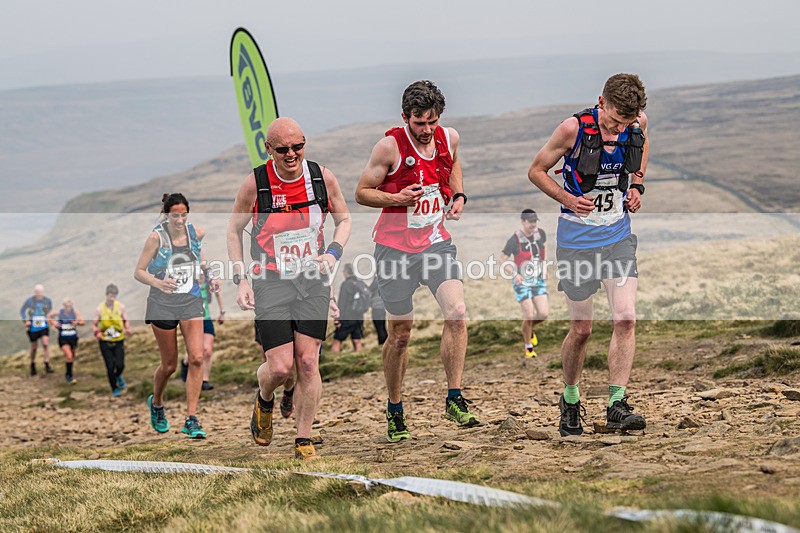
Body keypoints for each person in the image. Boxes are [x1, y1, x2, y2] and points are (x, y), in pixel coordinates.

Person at [355, 80, 479, 443]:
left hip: (435, 244)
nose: (426, 131)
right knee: (401, 334)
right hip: (394, 250)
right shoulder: (389, 146)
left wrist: (457, 195)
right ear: (405, 117)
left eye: (432, 122)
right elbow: (361, 193)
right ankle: (395, 408)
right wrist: (397, 199)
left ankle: (454, 397)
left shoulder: (448, 136)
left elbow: (453, 163)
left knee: (456, 312)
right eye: (419, 123)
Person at [527, 73, 649, 436]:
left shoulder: (637, 124)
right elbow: (536, 171)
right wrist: (567, 199)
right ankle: (570, 397)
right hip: (577, 242)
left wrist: (637, 185)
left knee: (625, 318)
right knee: (581, 330)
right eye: (612, 120)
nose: (616, 129)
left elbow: (641, 155)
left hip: (617, 237)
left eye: (624, 123)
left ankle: (616, 404)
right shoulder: (571, 129)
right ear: (601, 102)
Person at [227, 117, 351, 460]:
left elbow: (344, 220)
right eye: (283, 149)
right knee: (281, 368)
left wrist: (332, 254)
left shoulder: (321, 178)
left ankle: (303, 439)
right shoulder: (256, 184)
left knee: (308, 362)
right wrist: (241, 278)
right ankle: (265, 397)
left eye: (298, 146)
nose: (291, 154)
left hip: (312, 279)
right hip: (270, 279)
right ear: (269, 150)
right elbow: (233, 231)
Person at [134, 193, 219, 439]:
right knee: (169, 365)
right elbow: (139, 272)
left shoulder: (196, 233)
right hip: (162, 303)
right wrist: (158, 283)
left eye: (184, 215)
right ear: (167, 214)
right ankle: (157, 402)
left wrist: (211, 277)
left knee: (197, 358)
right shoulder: (155, 238)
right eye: (175, 215)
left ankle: (191, 418)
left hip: (190, 299)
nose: (180, 220)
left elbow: (200, 256)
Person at [498, 209, 549, 359]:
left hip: (537, 278)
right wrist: (515, 274)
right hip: (522, 281)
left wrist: (544, 268)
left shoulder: (541, 234)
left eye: (535, 221)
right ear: (523, 222)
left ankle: (530, 329)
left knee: (543, 314)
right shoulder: (514, 240)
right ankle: (529, 349)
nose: (533, 224)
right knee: (529, 315)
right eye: (530, 222)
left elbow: (543, 249)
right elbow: (501, 259)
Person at [180, 269, 225, 391]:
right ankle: (185, 363)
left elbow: (218, 293)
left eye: (202, 275)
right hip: (192, 320)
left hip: (206, 320)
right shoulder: (188, 285)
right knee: (194, 351)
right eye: (197, 275)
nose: (200, 277)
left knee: (208, 350)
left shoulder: (208, 284)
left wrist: (222, 312)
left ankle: (204, 380)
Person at [92, 284, 132, 397]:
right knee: (110, 366)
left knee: (120, 365)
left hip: (118, 339)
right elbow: (94, 324)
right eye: (110, 295)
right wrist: (97, 332)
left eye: (114, 295)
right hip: (105, 340)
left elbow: (126, 320)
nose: (112, 298)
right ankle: (114, 388)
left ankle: (118, 375)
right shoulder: (99, 309)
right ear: (106, 295)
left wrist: (127, 328)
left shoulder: (120, 307)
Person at [331, 263, 369, 353]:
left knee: (337, 340)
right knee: (357, 340)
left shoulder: (346, 284)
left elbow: (342, 303)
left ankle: (333, 360)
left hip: (347, 317)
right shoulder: (361, 283)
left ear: (346, 272)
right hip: (359, 317)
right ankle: (359, 358)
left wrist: (337, 319)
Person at [48, 297, 85, 384]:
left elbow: (83, 321)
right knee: (69, 356)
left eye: (69, 306)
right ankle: (69, 376)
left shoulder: (75, 312)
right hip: (63, 338)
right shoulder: (59, 312)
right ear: (64, 306)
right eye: (66, 306)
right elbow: (48, 316)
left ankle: (69, 373)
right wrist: (53, 323)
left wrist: (77, 323)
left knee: (72, 357)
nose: (68, 307)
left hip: (73, 338)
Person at [20, 284, 53, 376]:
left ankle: (47, 364)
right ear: (35, 293)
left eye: (41, 293)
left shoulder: (48, 301)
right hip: (33, 326)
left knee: (45, 344)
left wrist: (49, 318)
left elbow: (50, 311)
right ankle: (33, 364)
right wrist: (25, 321)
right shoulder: (29, 301)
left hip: (43, 325)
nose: (39, 295)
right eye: (38, 293)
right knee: (34, 348)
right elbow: (22, 310)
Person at [369, 277, 388, 345]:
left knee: (379, 326)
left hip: (377, 306)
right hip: (382, 307)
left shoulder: (377, 280)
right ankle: (386, 343)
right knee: (382, 326)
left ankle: (382, 343)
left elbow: (369, 289)